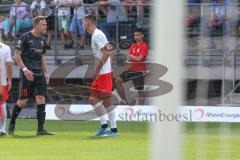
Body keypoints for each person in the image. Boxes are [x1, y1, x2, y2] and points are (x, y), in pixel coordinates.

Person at [7, 16, 53, 136]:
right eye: (43, 24)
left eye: (46, 24)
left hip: (39, 74)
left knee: (41, 99)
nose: (46, 26)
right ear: (36, 25)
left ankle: (40, 129)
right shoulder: (25, 37)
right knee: (23, 102)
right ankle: (11, 124)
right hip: (27, 74)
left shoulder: (43, 40)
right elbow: (17, 56)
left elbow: (42, 58)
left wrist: (46, 72)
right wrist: (25, 70)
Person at [83, 14, 118, 137]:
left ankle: (114, 130)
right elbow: (110, 50)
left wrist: (98, 70)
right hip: (103, 72)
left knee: (106, 100)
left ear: (88, 23)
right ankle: (104, 126)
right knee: (92, 99)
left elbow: (107, 52)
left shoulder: (97, 35)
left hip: (103, 73)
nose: (82, 25)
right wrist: (109, 66)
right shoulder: (96, 34)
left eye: (83, 23)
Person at [114, 28, 148, 105]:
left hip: (139, 71)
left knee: (140, 90)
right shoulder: (133, 45)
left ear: (142, 36)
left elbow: (139, 59)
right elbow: (130, 57)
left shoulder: (144, 46)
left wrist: (132, 56)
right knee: (117, 81)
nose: (136, 37)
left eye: (138, 35)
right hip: (131, 69)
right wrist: (133, 57)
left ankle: (141, 108)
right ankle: (124, 101)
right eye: (135, 35)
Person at [0, 42, 13, 137]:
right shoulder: (5, 48)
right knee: (2, 104)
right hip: (2, 82)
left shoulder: (6, 48)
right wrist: (10, 80)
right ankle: (2, 129)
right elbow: (9, 64)